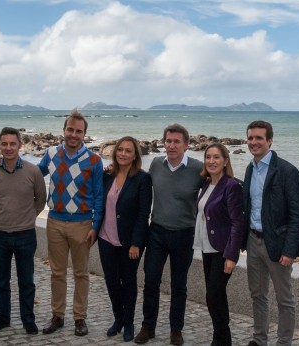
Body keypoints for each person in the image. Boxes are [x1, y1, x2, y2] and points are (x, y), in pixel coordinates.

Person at [134, 124, 204, 345]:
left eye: (177, 142)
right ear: (163, 143)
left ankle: (176, 329)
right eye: (168, 141)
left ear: (186, 145)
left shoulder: (198, 169)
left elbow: (220, 185)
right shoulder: (156, 164)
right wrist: (112, 171)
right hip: (157, 233)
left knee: (179, 285)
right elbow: (138, 180)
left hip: (184, 235)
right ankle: (148, 327)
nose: (172, 145)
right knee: (151, 280)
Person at [38, 108, 104, 337]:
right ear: (63, 130)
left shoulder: (94, 160)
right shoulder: (51, 153)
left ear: (84, 133)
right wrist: (5, 161)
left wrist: (96, 226)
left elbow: (99, 196)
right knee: (57, 272)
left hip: (82, 224)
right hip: (54, 221)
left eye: (78, 131)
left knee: (81, 274)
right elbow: (35, 175)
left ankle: (80, 318)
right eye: (70, 129)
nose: (73, 134)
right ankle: (57, 315)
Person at [242, 120, 299, 346]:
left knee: (284, 299)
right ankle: (259, 339)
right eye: (250, 138)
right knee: (258, 295)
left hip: (277, 244)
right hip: (252, 240)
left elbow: (298, 215)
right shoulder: (250, 168)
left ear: (270, 140)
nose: (254, 142)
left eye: (259, 138)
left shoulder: (287, 171)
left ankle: (284, 342)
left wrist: (290, 250)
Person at [0, 127, 46, 334]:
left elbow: (40, 200)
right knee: (1, 281)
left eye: (12, 144)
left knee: (26, 281)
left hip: (25, 235)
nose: (8, 148)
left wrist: (26, 218)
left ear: (20, 145)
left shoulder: (33, 171)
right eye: (4, 144)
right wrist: (4, 216)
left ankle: (28, 319)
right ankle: (3, 318)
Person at [97, 136, 153, 342]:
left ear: (135, 155)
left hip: (129, 242)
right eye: (120, 149)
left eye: (128, 151)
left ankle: (129, 322)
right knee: (111, 281)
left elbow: (143, 214)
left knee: (128, 282)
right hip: (105, 238)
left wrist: (136, 243)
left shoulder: (143, 179)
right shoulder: (107, 175)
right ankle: (118, 319)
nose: (123, 153)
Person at [195, 143, 246, 346]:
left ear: (226, 161)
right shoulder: (206, 183)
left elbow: (237, 222)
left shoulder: (231, 185)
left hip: (222, 250)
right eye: (208, 157)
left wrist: (232, 255)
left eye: (216, 157)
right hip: (208, 247)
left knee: (213, 295)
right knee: (216, 296)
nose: (211, 161)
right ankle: (220, 338)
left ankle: (223, 339)